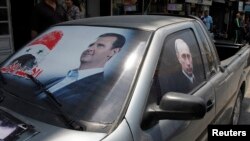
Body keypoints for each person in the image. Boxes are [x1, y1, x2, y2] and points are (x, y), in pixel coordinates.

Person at [47, 33, 126, 97]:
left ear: (113, 52)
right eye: (91, 45)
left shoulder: (96, 90)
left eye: (100, 46)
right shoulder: (54, 79)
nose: (90, 49)